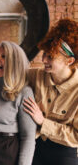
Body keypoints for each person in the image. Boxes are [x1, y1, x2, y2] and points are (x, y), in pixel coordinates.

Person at [23, 18, 78, 165]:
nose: (44, 60)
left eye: (51, 57)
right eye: (44, 54)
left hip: (64, 151)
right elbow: (10, 76)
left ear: (69, 61)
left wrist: (42, 121)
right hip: (35, 145)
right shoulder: (38, 75)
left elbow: (76, 136)